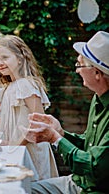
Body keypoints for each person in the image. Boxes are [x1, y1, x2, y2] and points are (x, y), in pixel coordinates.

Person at [26, 31, 109, 193]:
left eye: (80, 65)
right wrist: (61, 133)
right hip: (79, 182)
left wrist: (55, 139)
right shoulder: (98, 98)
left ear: (97, 73)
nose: (77, 70)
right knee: (23, 189)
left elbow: (94, 167)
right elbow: (90, 144)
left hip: (95, 189)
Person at [0, 35, 58, 180]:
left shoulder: (26, 85)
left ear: (20, 59)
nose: (0, 63)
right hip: (17, 150)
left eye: (5, 57)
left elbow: (40, 123)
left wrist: (15, 146)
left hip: (30, 151)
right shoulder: (9, 88)